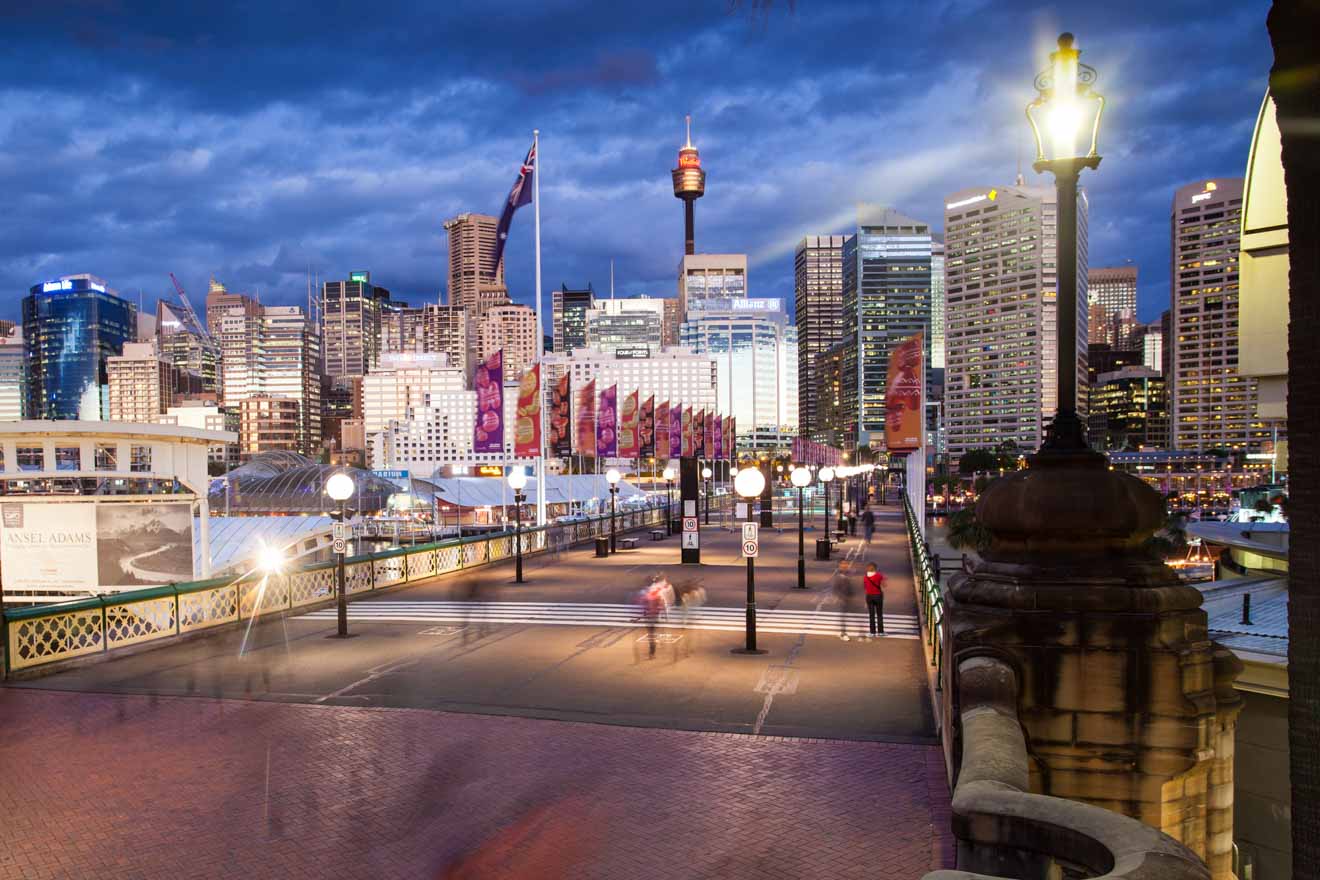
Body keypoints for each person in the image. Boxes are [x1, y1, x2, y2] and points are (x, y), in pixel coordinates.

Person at [831, 560, 855, 641]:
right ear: (840, 565)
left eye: (846, 564)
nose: (845, 565)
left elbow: (851, 586)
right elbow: (835, 589)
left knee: (846, 616)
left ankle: (842, 631)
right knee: (843, 616)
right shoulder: (838, 575)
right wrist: (841, 597)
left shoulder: (849, 573)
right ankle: (843, 633)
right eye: (843, 564)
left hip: (850, 598)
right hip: (843, 599)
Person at [863, 562, 885, 637]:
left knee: (871, 615)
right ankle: (881, 632)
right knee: (879, 614)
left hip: (869, 596)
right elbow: (884, 585)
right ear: (875, 568)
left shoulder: (865, 577)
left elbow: (865, 587)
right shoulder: (879, 576)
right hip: (878, 596)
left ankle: (872, 632)